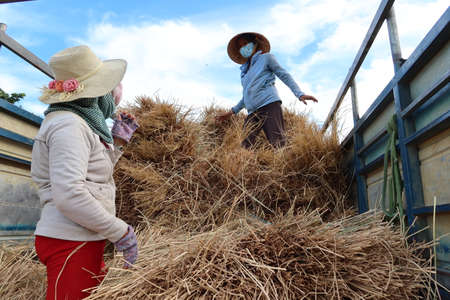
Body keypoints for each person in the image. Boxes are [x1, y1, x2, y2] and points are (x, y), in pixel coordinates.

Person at [31, 45, 139, 300]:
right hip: (70, 240)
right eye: (107, 90)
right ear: (94, 94)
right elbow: (69, 194)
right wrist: (119, 231)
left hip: (81, 236)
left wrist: (119, 141)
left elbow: (94, 175)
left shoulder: (80, 123)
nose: (112, 98)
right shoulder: (68, 125)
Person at [216, 32, 318, 148]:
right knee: (244, 145)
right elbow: (246, 96)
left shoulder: (266, 58)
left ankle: (283, 163)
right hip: (252, 112)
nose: (243, 47)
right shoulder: (244, 73)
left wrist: (299, 94)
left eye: (245, 43)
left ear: (254, 44)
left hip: (269, 105)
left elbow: (284, 75)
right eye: (240, 46)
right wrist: (231, 112)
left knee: (278, 143)